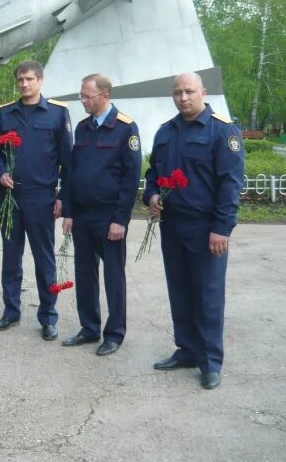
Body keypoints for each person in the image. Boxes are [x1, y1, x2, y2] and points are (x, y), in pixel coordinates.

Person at [143, 72, 244, 389]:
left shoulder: (221, 131)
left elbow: (231, 184)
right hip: (172, 225)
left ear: (203, 91)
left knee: (208, 295)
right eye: (177, 92)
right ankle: (186, 349)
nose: (183, 97)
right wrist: (152, 196)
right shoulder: (165, 132)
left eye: (188, 91)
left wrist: (221, 228)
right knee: (180, 291)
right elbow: (152, 174)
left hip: (206, 229)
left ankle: (210, 360)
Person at [59, 74, 141, 356]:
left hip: (109, 217)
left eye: (87, 96)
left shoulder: (125, 128)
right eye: (81, 96)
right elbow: (70, 173)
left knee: (113, 276)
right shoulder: (82, 128)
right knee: (85, 273)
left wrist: (121, 219)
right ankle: (89, 328)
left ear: (105, 95)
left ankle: (115, 333)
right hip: (82, 216)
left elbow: (131, 178)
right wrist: (68, 212)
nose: (82, 100)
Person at [0, 60, 72, 340]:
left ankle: (48, 316)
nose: (24, 84)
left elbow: (68, 161)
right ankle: (11, 311)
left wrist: (62, 197)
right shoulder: (5, 114)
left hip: (41, 198)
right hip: (10, 197)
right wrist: (0, 172)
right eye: (20, 80)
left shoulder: (57, 114)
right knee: (10, 258)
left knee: (44, 259)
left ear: (40, 80)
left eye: (29, 79)